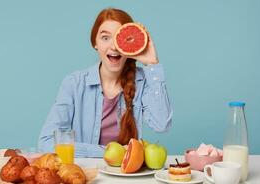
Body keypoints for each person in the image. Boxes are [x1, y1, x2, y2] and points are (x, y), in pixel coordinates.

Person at [38, 8, 172, 157]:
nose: (114, 46)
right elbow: (47, 142)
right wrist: (108, 152)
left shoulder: (143, 81)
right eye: (105, 38)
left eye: (120, 39)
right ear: (95, 43)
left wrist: (152, 64)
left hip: (128, 177)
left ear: (130, 45)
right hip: (88, 175)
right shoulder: (74, 84)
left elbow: (162, 125)